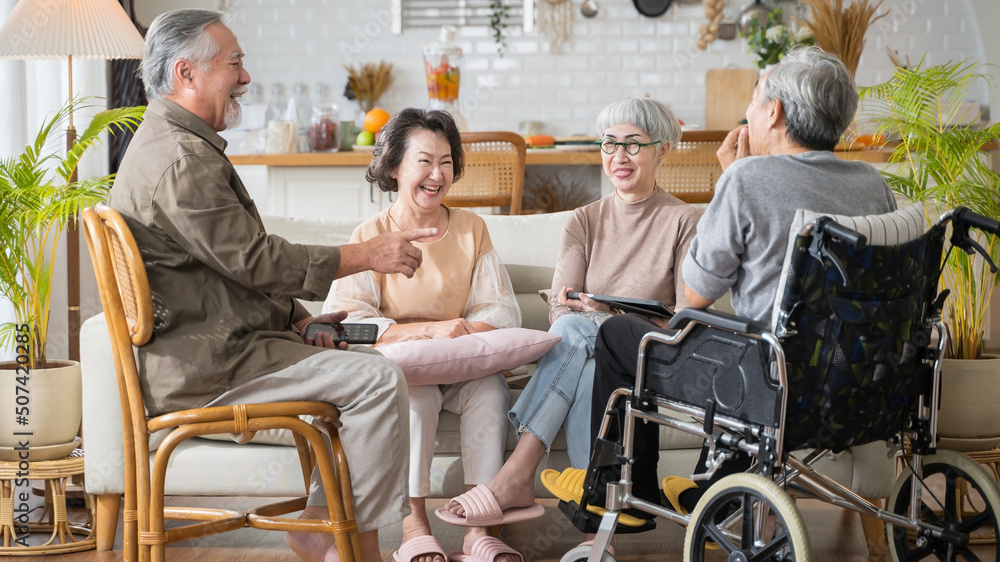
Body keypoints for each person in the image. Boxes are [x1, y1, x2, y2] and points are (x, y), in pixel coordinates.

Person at [109, 10, 435, 562]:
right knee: (379, 380)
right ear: (187, 73)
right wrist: (367, 255)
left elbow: (226, 270)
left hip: (216, 352)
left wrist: (300, 320)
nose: (246, 77)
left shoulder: (172, 144)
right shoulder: (181, 161)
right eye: (235, 62)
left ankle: (322, 524)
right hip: (210, 368)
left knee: (364, 370)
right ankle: (352, 544)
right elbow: (256, 260)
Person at [552, 46, 898, 521]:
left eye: (754, 100)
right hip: (858, 384)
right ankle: (709, 486)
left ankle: (626, 487)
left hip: (767, 381)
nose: (749, 112)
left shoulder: (748, 178)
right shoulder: (872, 183)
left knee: (619, 333)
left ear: (773, 112)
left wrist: (732, 177)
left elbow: (693, 296)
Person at [438, 98, 699, 529]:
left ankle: (519, 471)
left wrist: (608, 311)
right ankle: (598, 521)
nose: (619, 156)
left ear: (663, 150)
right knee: (588, 354)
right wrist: (590, 315)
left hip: (648, 356)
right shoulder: (583, 220)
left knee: (581, 331)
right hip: (590, 351)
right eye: (609, 144)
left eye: (633, 145)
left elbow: (686, 323)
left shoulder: (683, 221)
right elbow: (561, 306)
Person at [322, 108, 527, 562]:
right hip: (405, 370)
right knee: (412, 397)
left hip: (463, 363)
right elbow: (347, 321)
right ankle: (414, 527)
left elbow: (501, 308)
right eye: (425, 161)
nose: (438, 174)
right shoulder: (371, 235)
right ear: (394, 167)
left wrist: (458, 335)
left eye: (447, 161)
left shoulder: (473, 229)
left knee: (491, 390)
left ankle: (480, 531)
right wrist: (427, 332)